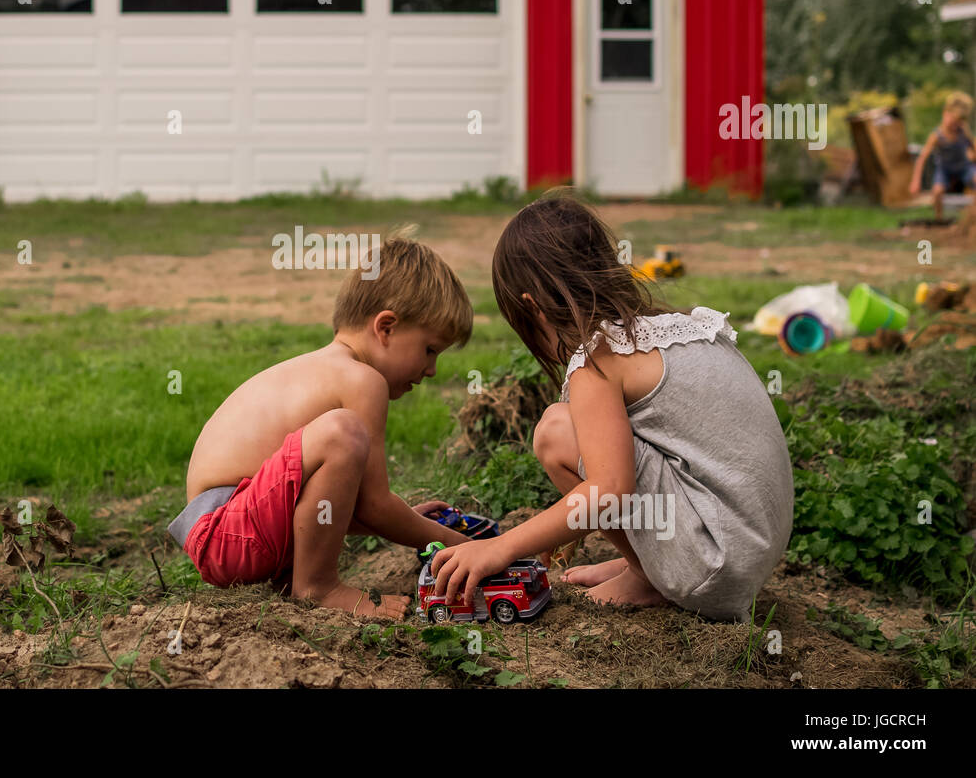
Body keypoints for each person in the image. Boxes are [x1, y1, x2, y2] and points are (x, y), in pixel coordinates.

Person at [430, 192, 794, 622]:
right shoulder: (678, 329)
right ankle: (649, 566)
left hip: (712, 566)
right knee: (589, 438)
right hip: (749, 547)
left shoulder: (599, 358)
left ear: (532, 308)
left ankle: (646, 577)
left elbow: (609, 491)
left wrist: (502, 546)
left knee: (555, 431)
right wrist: (562, 522)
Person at [168, 229, 475, 617]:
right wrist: (460, 543)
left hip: (228, 528)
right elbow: (376, 506)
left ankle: (302, 578)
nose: (432, 370)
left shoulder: (324, 369)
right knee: (341, 433)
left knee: (338, 438)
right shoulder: (362, 380)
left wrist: (411, 520)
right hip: (227, 530)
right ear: (386, 327)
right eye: (429, 350)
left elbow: (351, 504)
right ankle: (318, 587)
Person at [910, 91, 975, 219]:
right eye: (953, 120)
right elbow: (922, 158)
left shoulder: (963, 131)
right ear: (945, 114)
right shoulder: (937, 136)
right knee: (937, 191)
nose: (954, 125)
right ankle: (939, 219)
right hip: (945, 169)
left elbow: (973, 147)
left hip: (963, 167)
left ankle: (972, 219)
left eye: (958, 123)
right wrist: (915, 181)